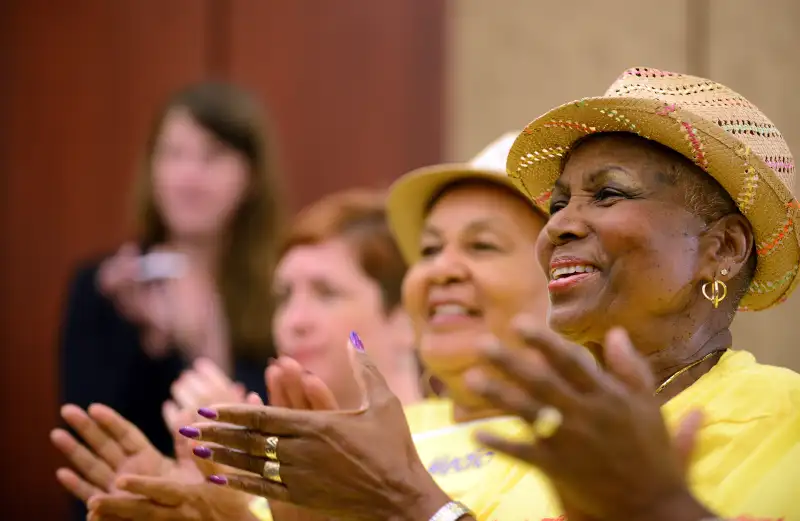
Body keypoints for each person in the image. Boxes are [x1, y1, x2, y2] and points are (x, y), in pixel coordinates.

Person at [172, 70, 798, 521]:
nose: (559, 226)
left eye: (607, 194)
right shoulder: (540, 427)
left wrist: (412, 505)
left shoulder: (785, 421)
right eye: (557, 205)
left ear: (722, 249)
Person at [52, 189, 422, 520]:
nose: (293, 321)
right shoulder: (271, 464)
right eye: (283, 297)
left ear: (405, 319)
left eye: (326, 293)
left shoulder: (464, 442)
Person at [57, 81, 284, 520]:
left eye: (212, 156)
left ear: (252, 175)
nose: (188, 175)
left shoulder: (276, 290)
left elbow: (274, 445)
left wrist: (194, 343)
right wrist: (152, 347)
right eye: (174, 153)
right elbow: (89, 436)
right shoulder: (104, 287)